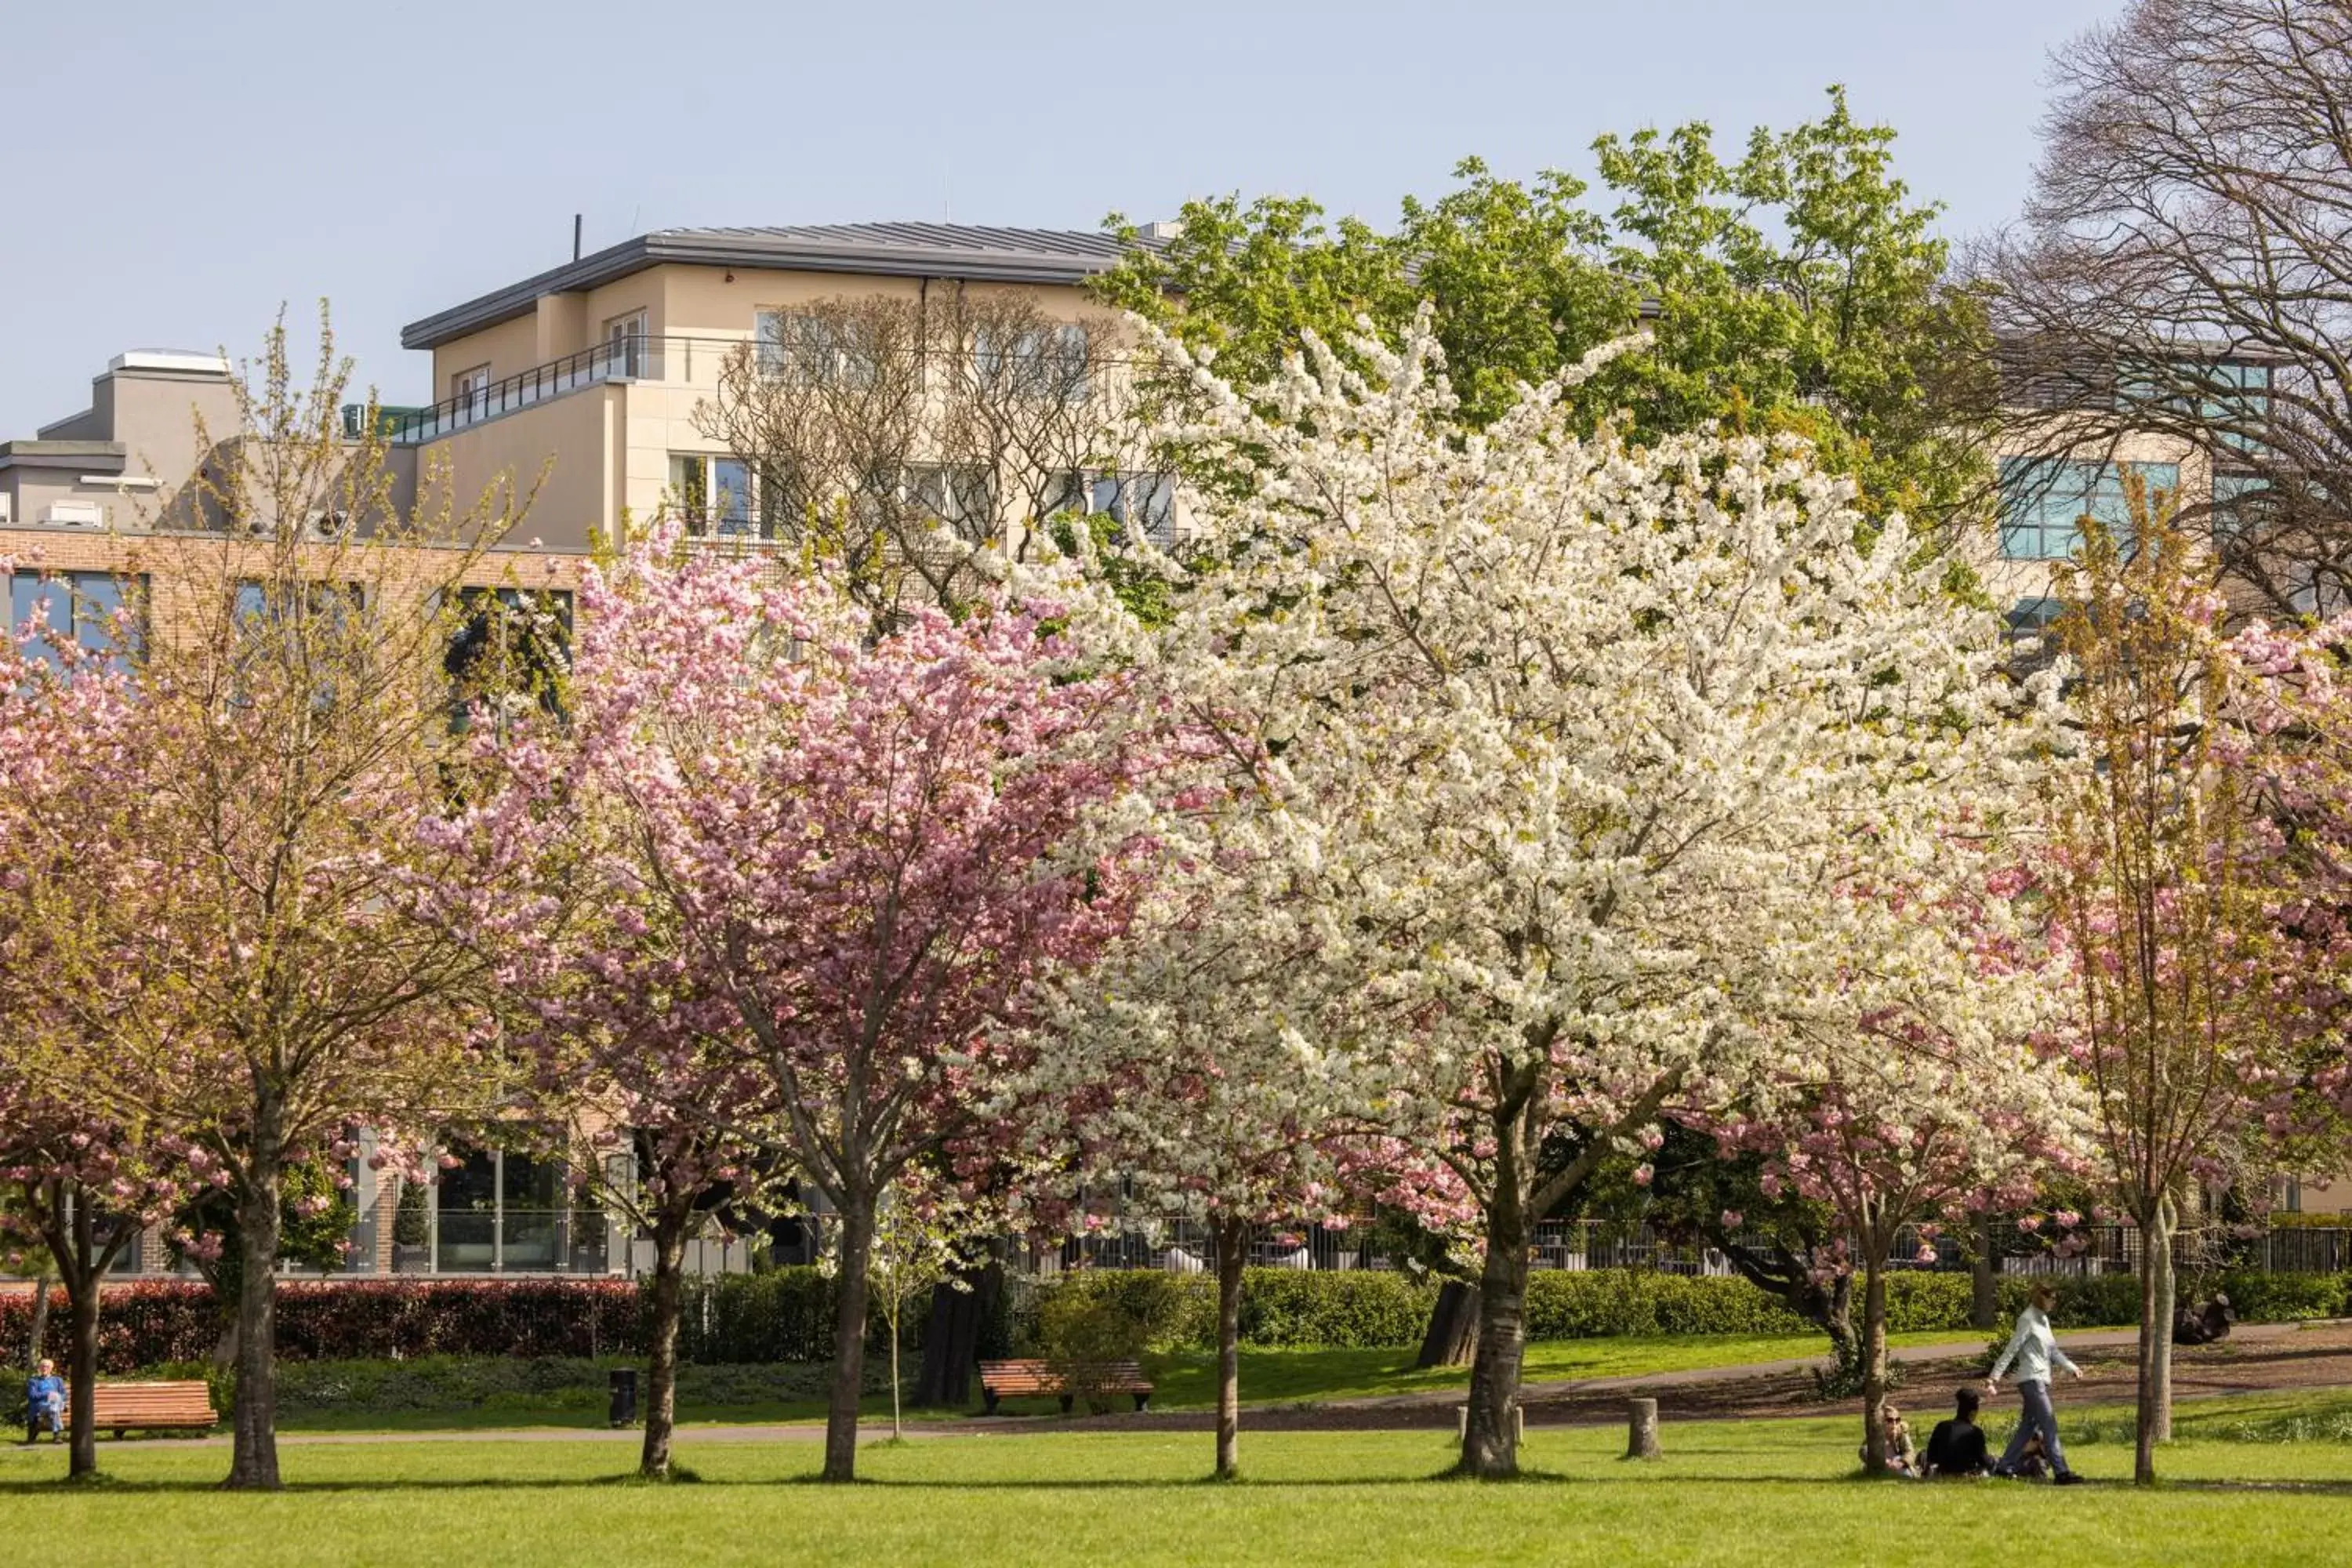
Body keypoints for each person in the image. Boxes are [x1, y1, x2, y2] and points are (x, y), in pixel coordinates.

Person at [1987, 1282, 2085, 1486]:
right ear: (2043, 1298)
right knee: (2049, 1423)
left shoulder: (2044, 1320)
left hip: (2041, 1378)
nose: (2054, 1303)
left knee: (2027, 1426)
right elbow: (2012, 1349)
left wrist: (2071, 1368)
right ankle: (2061, 1472)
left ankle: (2005, 1466)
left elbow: (2053, 1351)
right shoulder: (2027, 1319)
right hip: (2031, 1379)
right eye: (2052, 1299)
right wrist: (1994, 1377)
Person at [1922, 1386, 1991, 1479]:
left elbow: (1931, 1456)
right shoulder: (1975, 1432)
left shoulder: (1942, 1426)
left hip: (1941, 1474)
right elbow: (1983, 1461)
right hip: (1965, 1476)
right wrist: (1994, 1461)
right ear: (1973, 1413)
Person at [1860, 1402, 1919, 1475]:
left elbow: (1910, 1452)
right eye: (1890, 1420)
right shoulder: (1876, 1434)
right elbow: (1864, 1450)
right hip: (1880, 1464)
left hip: (1898, 1462)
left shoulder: (1902, 1433)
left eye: (1897, 1420)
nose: (1894, 1423)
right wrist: (1883, 1461)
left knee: (1907, 1475)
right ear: (1882, 1421)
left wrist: (1901, 1463)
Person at [24, 1358, 65, 1444]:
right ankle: (57, 1436)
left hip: (56, 1403)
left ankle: (55, 1434)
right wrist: (47, 1394)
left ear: (51, 1368)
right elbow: (32, 1396)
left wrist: (57, 1397)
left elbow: (64, 1394)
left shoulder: (57, 1380)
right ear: (39, 1368)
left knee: (54, 1405)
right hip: (41, 1406)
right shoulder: (34, 1381)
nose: (44, 1368)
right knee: (54, 1409)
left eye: (47, 1366)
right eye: (42, 1366)